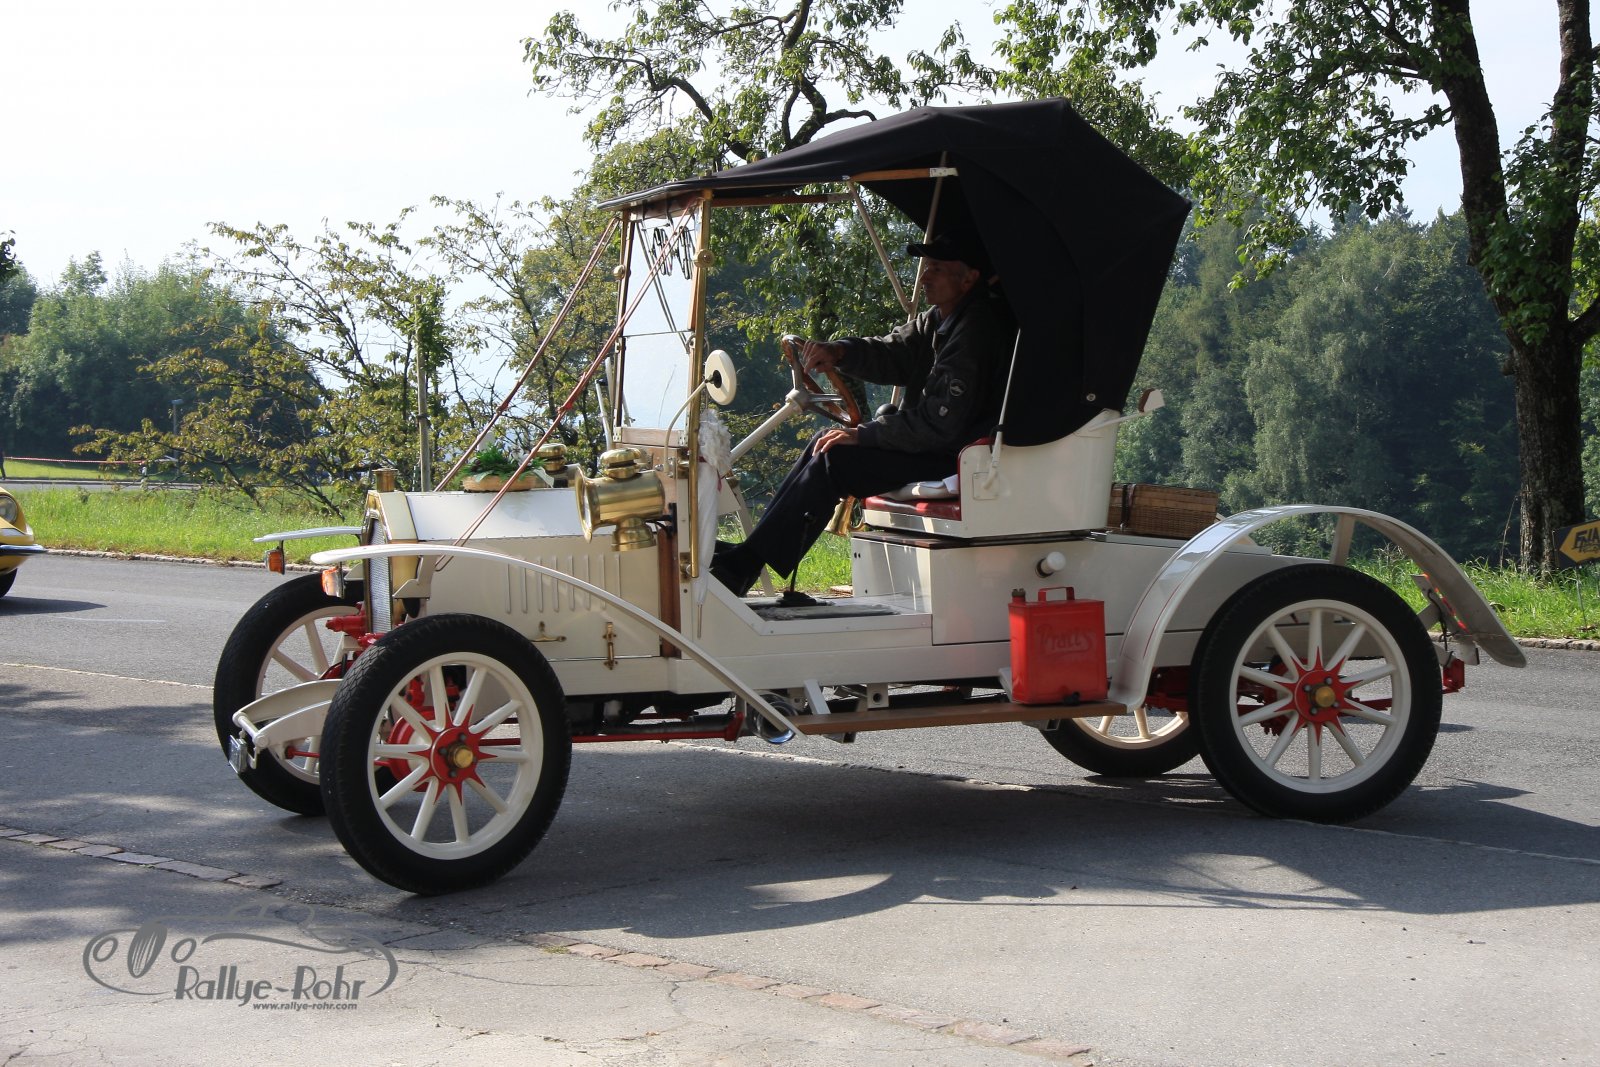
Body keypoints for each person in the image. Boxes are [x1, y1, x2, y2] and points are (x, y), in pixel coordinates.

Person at [712, 231, 1016, 596]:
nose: (925, 276)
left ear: (969, 278)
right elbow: (893, 352)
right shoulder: (941, 319)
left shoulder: (977, 331)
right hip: (937, 446)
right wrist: (839, 352)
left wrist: (865, 434)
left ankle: (742, 567)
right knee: (824, 443)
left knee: (836, 459)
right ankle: (747, 559)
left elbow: (940, 423)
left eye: (937, 268)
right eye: (927, 267)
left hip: (955, 456)